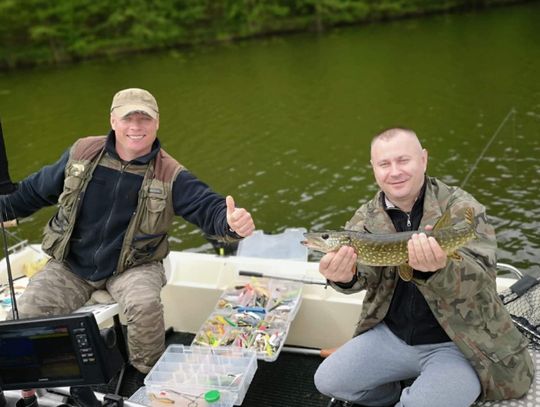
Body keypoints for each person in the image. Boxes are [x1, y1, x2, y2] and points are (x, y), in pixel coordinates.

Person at [0, 88, 255, 379]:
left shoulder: (171, 174)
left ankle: (147, 376)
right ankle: (35, 381)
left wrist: (231, 223)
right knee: (26, 314)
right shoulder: (82, 152)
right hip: (72, 263)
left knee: (144, 305)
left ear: (157, 123)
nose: (136, 126)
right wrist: (5, 209)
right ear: (113, 121)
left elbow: (207, 207)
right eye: (128, 118)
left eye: (144, 119)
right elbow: (35, 190)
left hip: (135, 266)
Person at [313, 128, 533, 406]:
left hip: (457, 342)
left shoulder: (463, 208)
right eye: (384, 164)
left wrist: (436, 270)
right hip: (391, 337)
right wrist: (344, 278)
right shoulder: (364, 218)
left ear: (424, 159)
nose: (394, 172)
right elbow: (364, 276)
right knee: (329, 381)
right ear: (374, 169)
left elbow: (482, 279)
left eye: (403, 160)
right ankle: (392, 395)